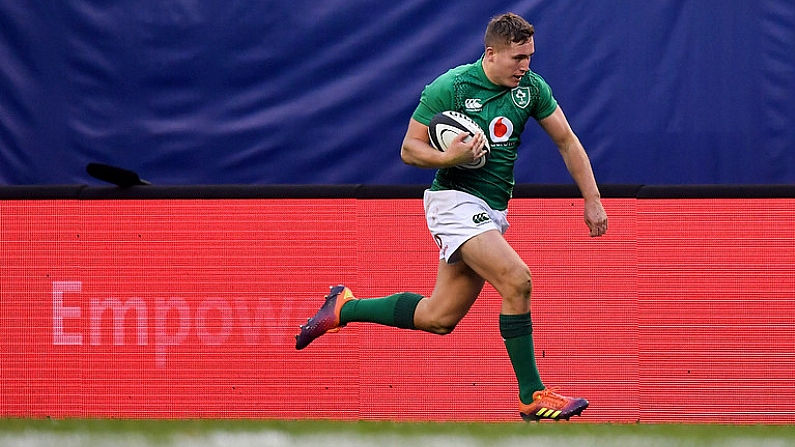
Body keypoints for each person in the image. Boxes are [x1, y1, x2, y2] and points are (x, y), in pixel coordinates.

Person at [295, 12, 608, 422]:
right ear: (491, 53)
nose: (526, 65)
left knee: (438, 317)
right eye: (518, 58)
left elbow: (567, 142)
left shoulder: (531, 89)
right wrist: (450, 157)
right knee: (518, 280)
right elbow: (409, 149)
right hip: (453, 202)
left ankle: (343, 308)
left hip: (490, 211)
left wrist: (593, 199)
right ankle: (532, 395)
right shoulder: (452, 87)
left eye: (530, 56)